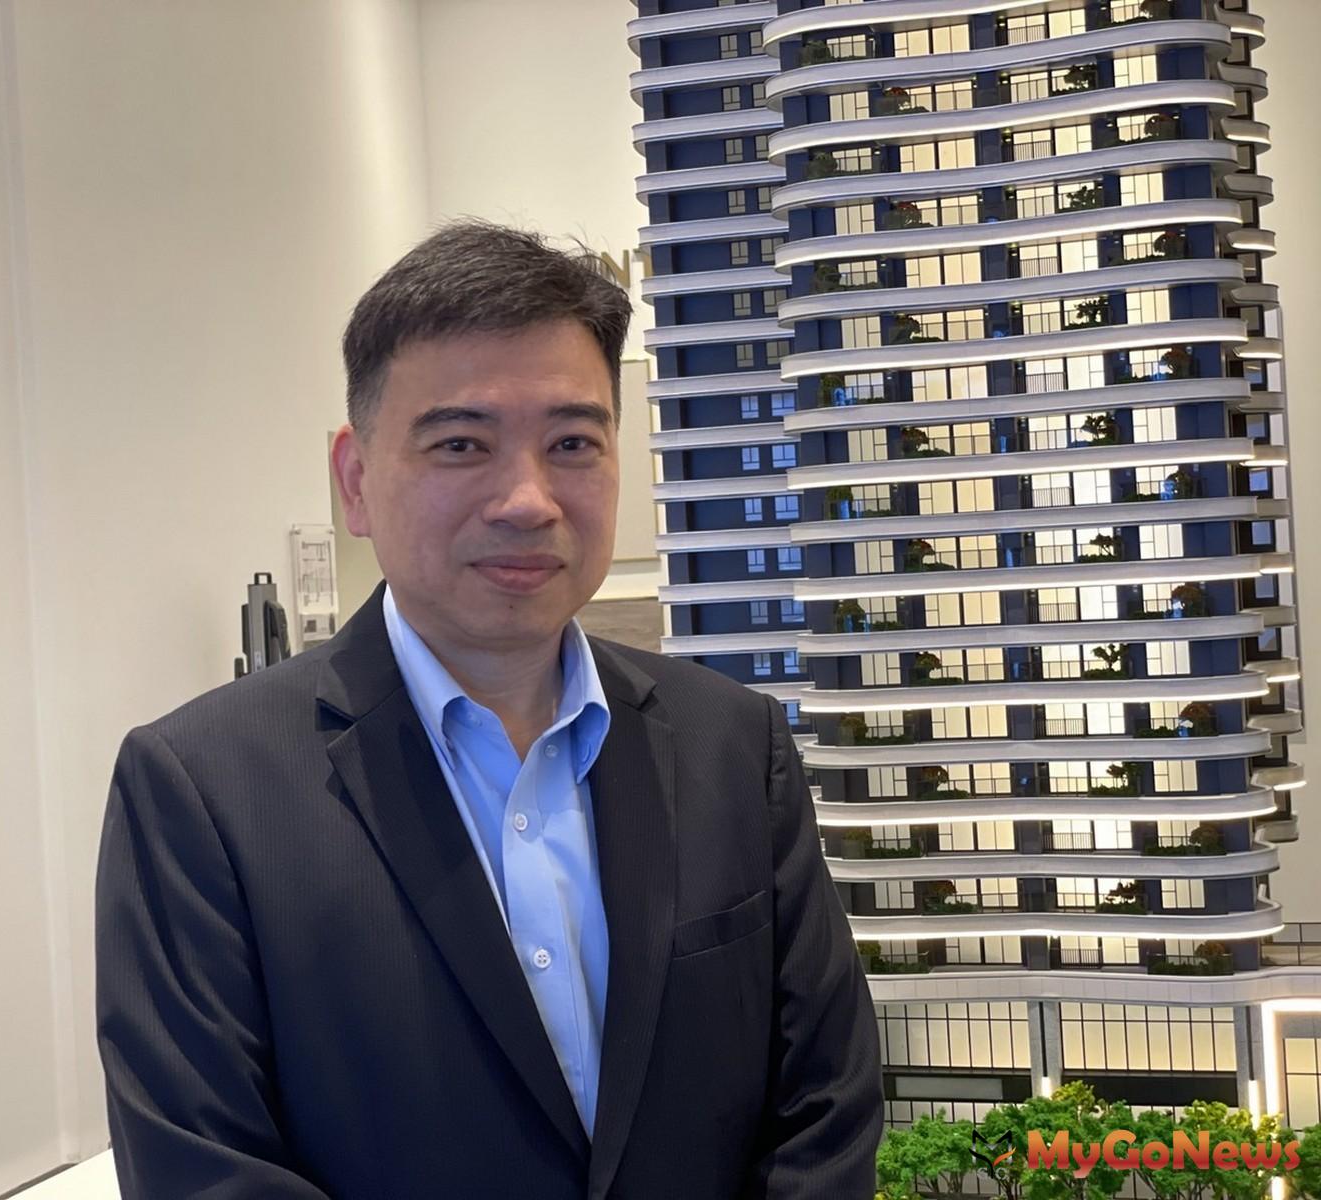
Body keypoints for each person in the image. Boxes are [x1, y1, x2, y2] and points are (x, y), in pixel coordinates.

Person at [95, 220, 883, 1199]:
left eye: (572, 442)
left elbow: (826, 1101)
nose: (526, 499)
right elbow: (202, 1169)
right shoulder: (204, 792)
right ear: (355, 480)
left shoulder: (731, 745)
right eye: (462, 444)